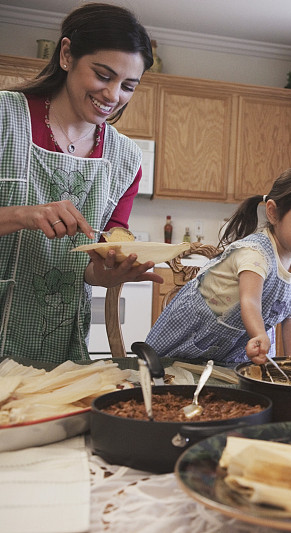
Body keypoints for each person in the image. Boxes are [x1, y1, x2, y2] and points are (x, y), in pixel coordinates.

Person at [0, 3, 161, 363]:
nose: (113, 95)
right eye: (103, 76)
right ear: (67, 54)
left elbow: (93, 261)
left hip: (60, 347)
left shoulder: (124, 159)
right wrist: (24, 215)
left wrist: (108, 273)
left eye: (128, 86)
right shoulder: (4, 118)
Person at [146, 167, 291, 365]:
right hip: (192, 338)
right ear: (273, 213)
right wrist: (259, 334)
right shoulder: (255, 253)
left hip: (236, 346)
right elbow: (250, 301)